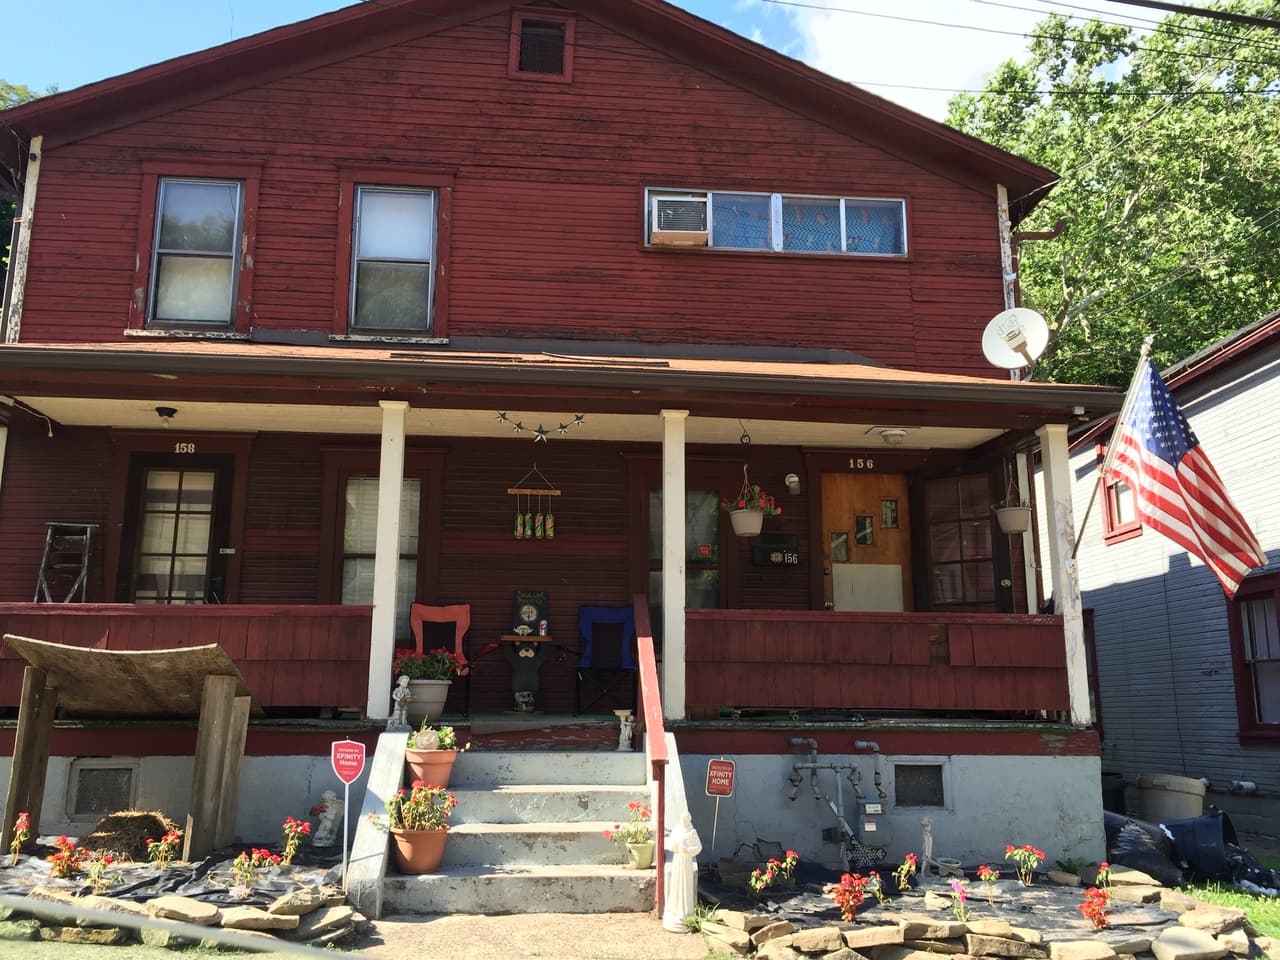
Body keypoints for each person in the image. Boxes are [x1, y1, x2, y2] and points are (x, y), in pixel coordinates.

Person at [662, 812, 702, 933]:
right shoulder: (677, 830)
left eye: (687, 819)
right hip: (677, 861)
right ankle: (675, 910)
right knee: (676, 885)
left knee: (685, 886)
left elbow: (698, 847)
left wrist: (688, 850)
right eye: (683, 819)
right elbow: (670, 845)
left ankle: (685, 911)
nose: (685, 821)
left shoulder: (692, 832)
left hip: (686, 862)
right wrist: (678, 844)